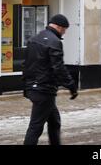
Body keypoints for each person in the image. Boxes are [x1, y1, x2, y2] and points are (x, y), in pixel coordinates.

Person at [23, 14, 78, 145]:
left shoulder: (34, 39)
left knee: (54, 121)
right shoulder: (54, 42)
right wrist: (71, 86)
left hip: (35, 87)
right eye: (64, 29)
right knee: (35, 127)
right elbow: (58, 67)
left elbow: (26, 65)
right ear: (59, 27)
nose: (64, 32)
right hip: (44, 90)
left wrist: (26, 86)